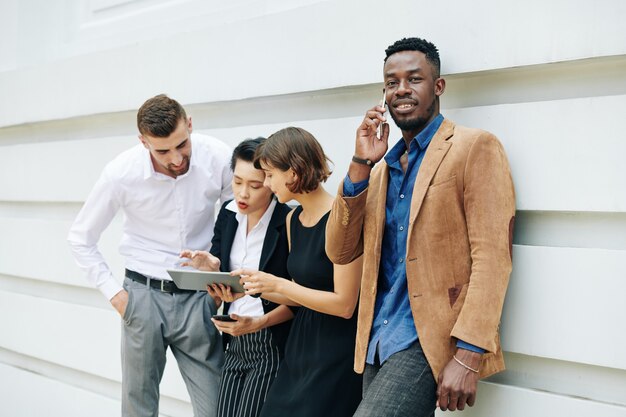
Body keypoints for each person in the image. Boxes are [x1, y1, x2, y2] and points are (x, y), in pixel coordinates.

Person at [325, 37, 516, 417]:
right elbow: (340, 250)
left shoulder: (474, 146)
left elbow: (493, 256)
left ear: (438, 86)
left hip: (430, 338)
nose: (402, 90)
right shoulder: (379, 172)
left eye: (414, 79)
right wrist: (360, 164)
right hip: (379, 337)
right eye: (391, 83)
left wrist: (469, 353)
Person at [67, 94, 232, 417]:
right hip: (141, 298)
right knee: (138, 408)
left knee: (217, 408)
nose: (176, 158)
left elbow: (236, 223)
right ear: (143, 142)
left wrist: (220, 277)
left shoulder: (218, 158)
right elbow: (80, 238)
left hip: (200, 298)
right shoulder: (120, 173)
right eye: (162, 150)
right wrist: (117, 297)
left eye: (182, 144)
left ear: (190, 125)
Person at [233, 127, 363, 417]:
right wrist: (258, 290)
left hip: (335, 353)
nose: (266, 183)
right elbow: (299, 294)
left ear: (292, 172)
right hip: (299, 351)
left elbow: (344, 304)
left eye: (269, 174)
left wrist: (280, 285)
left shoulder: (342, 217)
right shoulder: (293, 219)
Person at [179, 137, 294, 417]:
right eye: (237, 181)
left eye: (254, 185)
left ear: (270, 181)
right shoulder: (228, 215)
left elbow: (296, 295)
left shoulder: (288, 221)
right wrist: (210, 267)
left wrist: (258, 323)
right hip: (232, 337)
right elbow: (223, 279)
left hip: (271, 341)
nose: (242, 193)